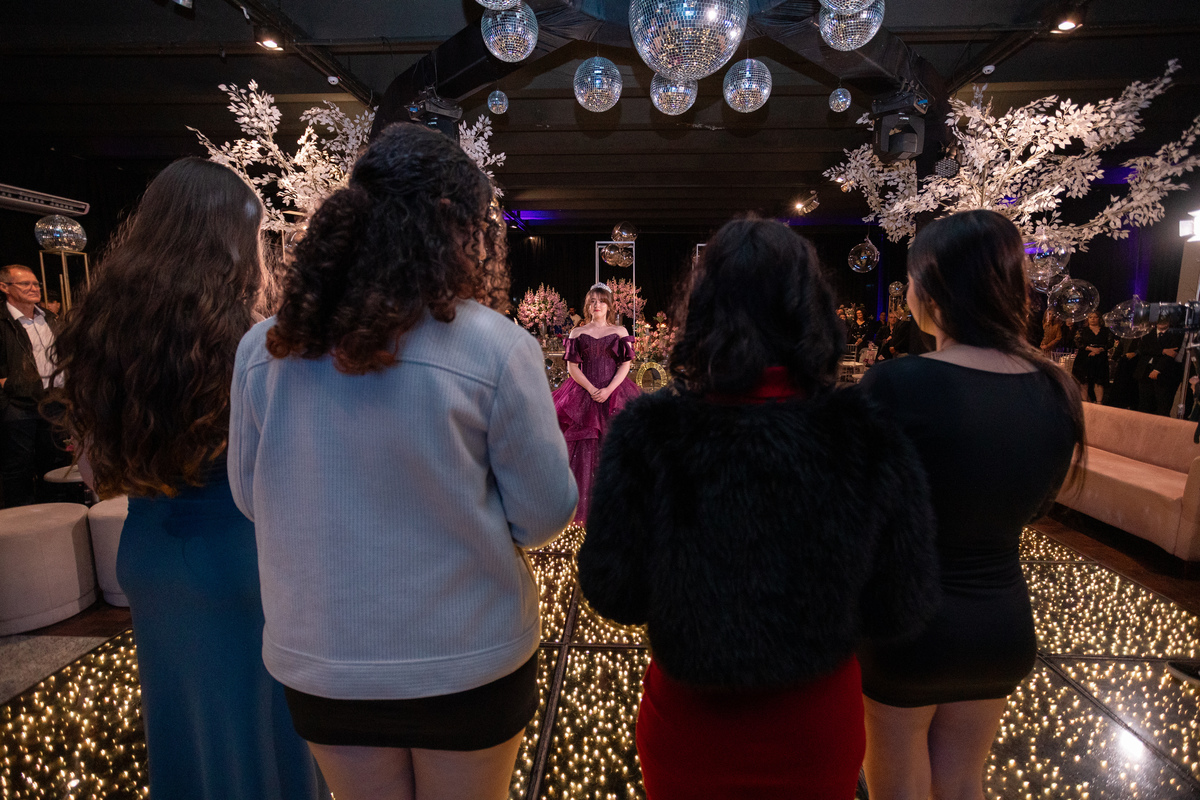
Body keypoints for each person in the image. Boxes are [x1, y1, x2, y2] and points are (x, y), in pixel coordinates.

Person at [227, 123, 578, 800]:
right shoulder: (496, 348)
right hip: (468, 658)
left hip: (325, 659)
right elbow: (544, 515)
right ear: (453, 226)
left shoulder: (264, 351)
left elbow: (251, 496)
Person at [577, 218, 940, 800]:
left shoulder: (650, 433)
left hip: (691, 726)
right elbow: (900, 607)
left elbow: (614, 590)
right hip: (816, 724)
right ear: (810, 307)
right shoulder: (864, 434)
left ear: (702, 308)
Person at [48, 159, 323, 800]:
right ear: (234, 241)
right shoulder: (252, 344)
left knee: (185, 735)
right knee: (260, 738)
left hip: (148, 558)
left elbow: (94, 472)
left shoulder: (102, 331)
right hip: (240, 558)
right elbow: (285, 466)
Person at [857, 209, 1081, 800]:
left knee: (897, 783)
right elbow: (1037, 506)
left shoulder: (896, 383)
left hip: (907, 624)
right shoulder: (1056, 388)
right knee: (962, 781)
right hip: (1001, 622)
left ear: (931, 288)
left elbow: (858, 508)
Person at [551, 283, 639, 522]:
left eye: (601, 301)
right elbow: (572, 368)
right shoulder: (577, 333)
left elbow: (625, 365)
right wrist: (591, 389)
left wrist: (609, 389)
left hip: (614, 393)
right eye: (592, 301)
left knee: (615, 446)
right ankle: (581, 511)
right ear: (587, 306)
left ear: (609, 305)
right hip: (583, 393)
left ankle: (616, 508)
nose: (596, 305)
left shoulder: (620, 331)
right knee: (583, 449)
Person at [0, 264, 71, 507]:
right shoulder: (3, 321)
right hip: (18, 406)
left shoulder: (50, 318)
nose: (33, 288)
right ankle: (20, 519)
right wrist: (7, 397)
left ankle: (57, 513)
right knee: (17, 468)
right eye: (25, 284)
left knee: (57, 464)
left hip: (55, 402)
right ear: (4, 287)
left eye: (36, 284)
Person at [1135, 319, 1185, 416]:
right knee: (1144, 404)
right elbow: (1142, 349)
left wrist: (1158, 369)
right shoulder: (1148, 332)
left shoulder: (1175, 334)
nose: (1162, 321)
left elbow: (1171, 354)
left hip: (1164, 373)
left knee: (1162, 405)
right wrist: (1162, 351)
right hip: (1144, 371)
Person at [1071, 311, 1115, 403]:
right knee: (1084, 381)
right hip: (1084, 357)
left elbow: (1110, 343)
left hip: (1100, 358)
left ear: (1099, 319)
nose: (1092, 319)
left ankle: (1099, 403)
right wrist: (1091, 349)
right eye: (1090, 317)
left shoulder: (1106, 331)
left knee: (1099, 381)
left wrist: (1099, 350)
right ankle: (1085, 402)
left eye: (1095, 317)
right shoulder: (1082, 330)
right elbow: (1077, 342)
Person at [1106, 333, 1142, 409]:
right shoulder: (1127, 334)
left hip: (1137, 363)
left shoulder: (1142, 335)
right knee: (1121, 383)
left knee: (1133, 385)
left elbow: (1144, 347)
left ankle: (1131, 404)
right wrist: (1114, 358)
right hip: (1125, 362)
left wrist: (1135, 353)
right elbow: (1121, 347)